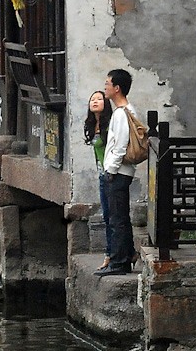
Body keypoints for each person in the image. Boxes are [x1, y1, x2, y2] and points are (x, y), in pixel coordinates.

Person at [94, 68, 137, 277]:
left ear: (117, 88)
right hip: (119, 171)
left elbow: (120, 146)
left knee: (116, 219)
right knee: (119, 217)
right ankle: (126, 256)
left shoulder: (121, 113)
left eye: (108, 84)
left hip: (118, 172)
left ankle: (119, 262)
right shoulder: (125, 111)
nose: (105, 88)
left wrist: (110, 170)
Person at [84, 90, 113, 270]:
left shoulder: (109, 125)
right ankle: (122, 252)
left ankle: (110, 254)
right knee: (107, 216)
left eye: (99, 99)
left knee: (111, 216)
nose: (95, 101)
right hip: (102, 175)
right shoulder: (92, 125)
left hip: (111, 174)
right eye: (92, 99)